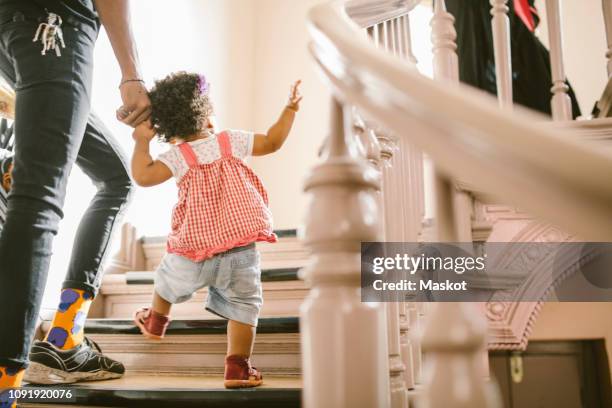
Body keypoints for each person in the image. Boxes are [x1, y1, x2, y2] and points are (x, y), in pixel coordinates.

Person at [0, 0, 150, 400]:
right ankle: (6, 385)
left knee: (117, 178)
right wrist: (131, 74)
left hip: (22, 32)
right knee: (38, 198)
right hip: (55, 23)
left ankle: (66, 334)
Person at [130, 72, 301, 389]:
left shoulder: (178, 156)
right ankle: (237, 368)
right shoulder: (231, 140)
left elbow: (143, 175)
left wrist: (142, 141)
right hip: (239, 252)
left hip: (194, 251)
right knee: (244, 307)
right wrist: (288, 110)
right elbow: (273, 141)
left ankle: (156, 320)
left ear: (170, 131)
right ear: (207, 116)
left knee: (167, 276)